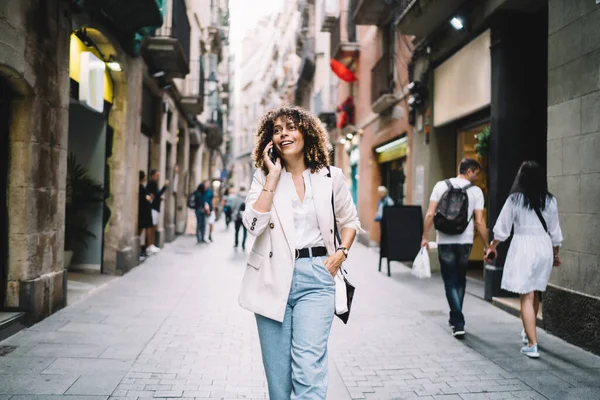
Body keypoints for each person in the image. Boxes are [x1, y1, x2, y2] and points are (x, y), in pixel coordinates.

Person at [239, 106, 361, 399]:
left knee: (308, 369)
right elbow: (253, 225)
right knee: (279, 379)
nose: (284, 134)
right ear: (270, 141)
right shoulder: (263, 178)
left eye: (291, 127)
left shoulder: (331, 176)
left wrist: (342, 252)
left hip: (318, 276)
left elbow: (350, 221)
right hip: (271, 278)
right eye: (278, 130)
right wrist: (271, 176)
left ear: (306, 133)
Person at [484, 161, 563, 358]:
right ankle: (529, 331)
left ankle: (532, 344)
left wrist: (492, 248)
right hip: (543, 247)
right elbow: (555, 232)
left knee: (526, 296)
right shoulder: (550, 201)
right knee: (534, 292)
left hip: (524, 247)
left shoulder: (515, 200)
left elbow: (502, 229)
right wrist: (555, 254)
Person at [421, 158, 489, 338]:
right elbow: (480, 222)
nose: (476, 176)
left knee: (450, 281)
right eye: (476, 173)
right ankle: (457, 318)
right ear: (469, 171)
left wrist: (424, 237)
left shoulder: (440, 186)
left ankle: (457, 320)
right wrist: (487, 245)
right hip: (464, 242)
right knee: (460, 280)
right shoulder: (476, 192)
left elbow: (430, 213)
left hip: (444, 240)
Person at [146, 169, 169, 254]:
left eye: (158, 176)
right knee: (151, 226)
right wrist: (164, 186)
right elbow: (157, 194)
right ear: (152, 175)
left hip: (155, 207)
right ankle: (149, 245)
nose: (157, 177)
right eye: (156, 175)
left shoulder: (153, 183)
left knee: (153, 226)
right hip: (153, 207)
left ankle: (151, 245)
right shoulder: (152, 183)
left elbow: (156, 195)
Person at [137, 171, 154, 259]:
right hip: (142, 211)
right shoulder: (139, 186)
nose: (146, 177)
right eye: (145, 176)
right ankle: (139, 248)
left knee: (142, 229)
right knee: (140, 230)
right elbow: (141, 196)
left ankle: (143, 247)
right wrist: (146, 197)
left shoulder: (142, 186)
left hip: (144, 211)